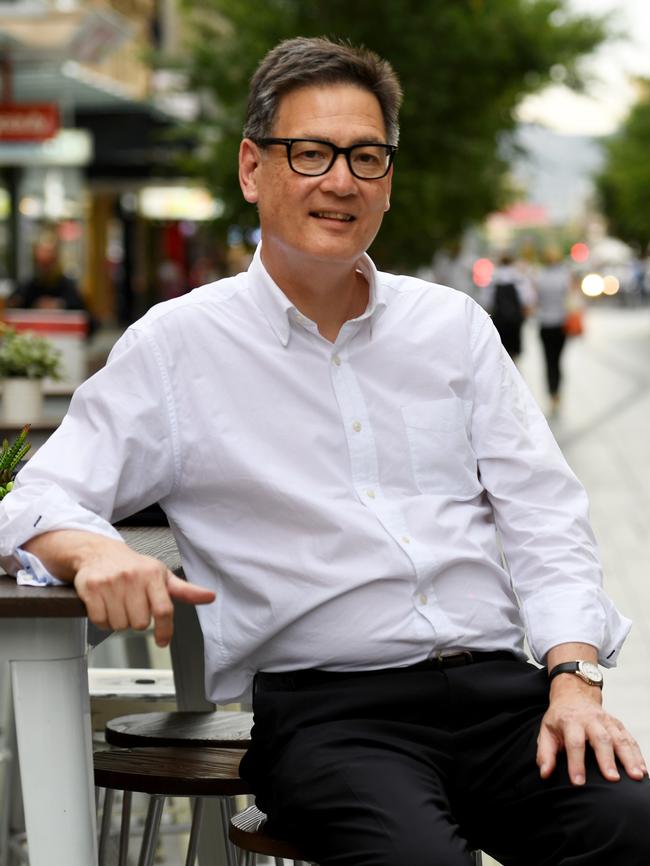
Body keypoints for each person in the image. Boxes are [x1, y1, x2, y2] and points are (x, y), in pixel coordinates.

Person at [0, 37, 649, 866]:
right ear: (252, 168)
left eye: (367, 157)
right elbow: (32, 498)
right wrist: (91, 550)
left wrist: (573, 677)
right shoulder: (178, 347)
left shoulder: (451, 328)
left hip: (505, 699)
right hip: (334, 717)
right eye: (310, 153)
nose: (341, 180)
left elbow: (544, 514)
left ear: (387, 179)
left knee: (634, 829)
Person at [534, 246, 574, 414]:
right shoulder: (564, 276)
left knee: (548, 361)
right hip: (560, 323)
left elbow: (534, 299)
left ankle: (552, 394)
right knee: (558, 360)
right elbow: (570, 298)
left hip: (544, 323)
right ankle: (557, 392)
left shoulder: (539, 276)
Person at [483, 252, 534, 360]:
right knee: (514, 344)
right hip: (515, 318)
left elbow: (486, 300)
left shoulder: (493, 276)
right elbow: (527, 297)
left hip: (499, 318)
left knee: (502, 345)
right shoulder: (518, 276)